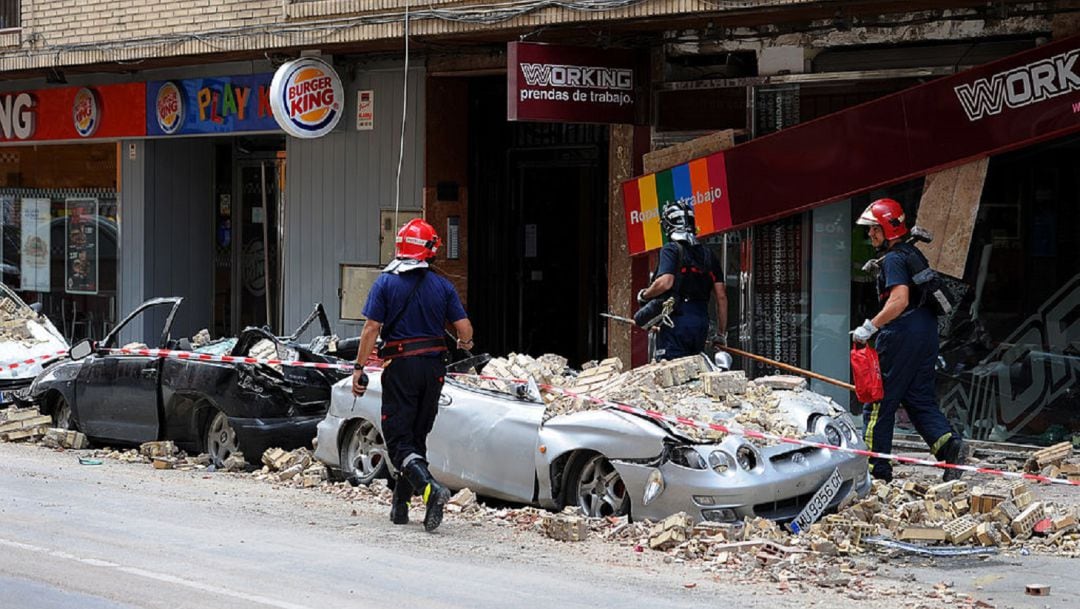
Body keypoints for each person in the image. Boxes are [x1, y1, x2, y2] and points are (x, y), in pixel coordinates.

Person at [351, 218, 473, 532]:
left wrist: (359, 368)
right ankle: (400, 507)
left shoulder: (385, 282)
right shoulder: (443, 286)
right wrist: (466, 344)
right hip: (434, 368)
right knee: (415, 439)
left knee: (398, 443)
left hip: (400, 367)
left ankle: (430, 490)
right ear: (429, 250)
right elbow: (464, 329)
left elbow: (371, 329)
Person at [852, 198, 964, 482]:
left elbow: (899, 300)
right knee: (918, 399)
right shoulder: (911, 253)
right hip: (925, 331)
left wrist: (870, 327)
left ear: (887, 229)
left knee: (879, 402)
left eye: (874, 229)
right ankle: (949, 446)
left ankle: (876, 470)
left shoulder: (893, 259)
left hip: (901, 334)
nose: (870, 235)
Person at [637, 199, 727, 360]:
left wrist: (644, 295)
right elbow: (721, 297)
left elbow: (665, 282)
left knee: (672, 376)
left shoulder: (671, 249)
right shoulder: (708, 255)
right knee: (694, 373)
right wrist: (721, 334)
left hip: (676, 320)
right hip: (701, 322)